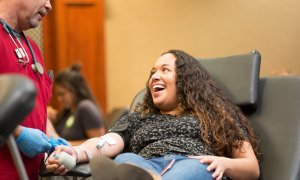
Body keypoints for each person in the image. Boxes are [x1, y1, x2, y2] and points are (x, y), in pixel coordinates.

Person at [46, 50, 260, 180]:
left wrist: (222, 163)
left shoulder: (216, 116)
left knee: (196, 167)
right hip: (144, 166)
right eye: (152, 73)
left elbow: (251, 168)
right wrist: (78, 153)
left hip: (193, 164)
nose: (155, 77)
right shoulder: (137, 119)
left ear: (186, 79)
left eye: (165, 70)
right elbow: (105, 142)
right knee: (125, 159)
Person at [0, 0, 70, 179]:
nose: (49, 6)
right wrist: (19, 133)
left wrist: (53, 144)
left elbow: (38, 108)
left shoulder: (33, 48)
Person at [47, 64, 105, 145]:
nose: (59, 99)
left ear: (75, 90)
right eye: (58, 95)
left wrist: (63, 145)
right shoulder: (70, 111)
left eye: (62, 94)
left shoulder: (85, 107)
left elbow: (99, 144)